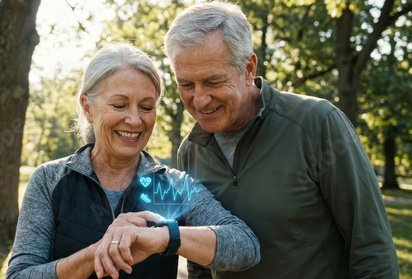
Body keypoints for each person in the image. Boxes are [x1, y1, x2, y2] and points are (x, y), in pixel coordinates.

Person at [164, 1, 399, 279]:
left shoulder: (317, 124)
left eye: (213, 82)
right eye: (186, 84)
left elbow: (371, 247)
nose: (199, 99)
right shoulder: (190, 151)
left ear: (249, 68)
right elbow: (199, 259)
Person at [6, 43, 260, 279]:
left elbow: (246, 246)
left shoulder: (172, 185)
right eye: (119, 105)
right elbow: (19, 274)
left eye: (147, 107)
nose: (135, 120)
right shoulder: (50, 180)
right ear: (87, 107)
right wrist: (100, 251)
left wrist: (164, 238)